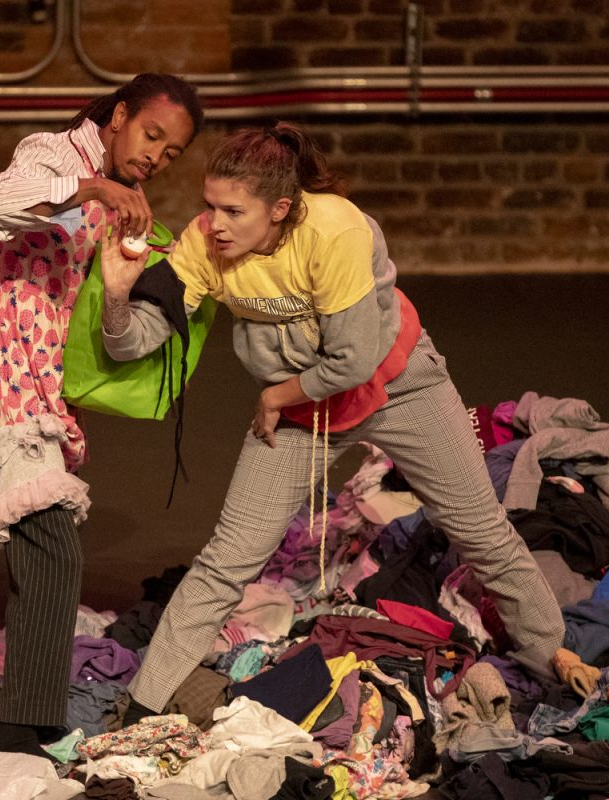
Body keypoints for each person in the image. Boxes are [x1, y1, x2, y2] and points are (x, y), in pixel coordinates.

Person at [99, 121, 566, 721]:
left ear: (281, 209)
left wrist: (273, 397)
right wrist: (117, 295)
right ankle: (143, 704)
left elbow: (354, 359)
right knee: (226, 559)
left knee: (482, 533)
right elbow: (131, 344)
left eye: (233, 211)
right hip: (301, 406)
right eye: (209, 206)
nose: (214, 224)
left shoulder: (335, 228)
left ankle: (555, 664)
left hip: (397, 385)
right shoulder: (202, 243)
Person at [0, 73, 204, 757]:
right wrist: (90, 189)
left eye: (172, 153)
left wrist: (120, 293)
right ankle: (28, 721)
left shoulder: (129, 203)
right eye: (151, 136)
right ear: (118, 117)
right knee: (48, 530)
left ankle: (32, 707)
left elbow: (114, 333)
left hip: (46, 368)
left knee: (43, 537)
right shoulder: (53, 155)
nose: (156, 158)